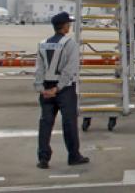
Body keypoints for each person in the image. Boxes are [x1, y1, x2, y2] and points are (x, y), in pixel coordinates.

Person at [34, 12, 90, 169]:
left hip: (46, 87)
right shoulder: (69, 44)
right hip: (64, 89)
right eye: (68, 24)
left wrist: (41, 88)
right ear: (64, 26)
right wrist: (58, 88)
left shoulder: (43, 43)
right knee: (69, 123)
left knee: (45, 123)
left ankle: (43, 158)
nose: (70, 26)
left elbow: (39, 69)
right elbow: (69, 69)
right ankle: (73, 156)